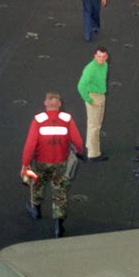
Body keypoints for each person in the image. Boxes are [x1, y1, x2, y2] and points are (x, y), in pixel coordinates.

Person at [21, 92, 84, 238]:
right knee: (60, 192)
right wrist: (80, 152)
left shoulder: (38, 120)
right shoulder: (67, 119)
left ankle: (36, 210)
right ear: (60, 104)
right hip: (61, 162)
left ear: (45, 103)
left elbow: (30, 145)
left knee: (37, 184)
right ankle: (58, 226)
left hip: (41, 162)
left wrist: (25, 164)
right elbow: (78, 141)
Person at [77, 47, 109, 162]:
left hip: (101, 96)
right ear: (95, 56)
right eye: (98, 56)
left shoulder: (105, 65)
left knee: (95, 124)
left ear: (106, 57)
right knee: (94, 126)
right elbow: (81, 86)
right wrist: (89, 99)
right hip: (94, 97)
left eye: (103, 56)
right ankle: (94, 154)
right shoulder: (90, 69)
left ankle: (90, 147)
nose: (101, 59)